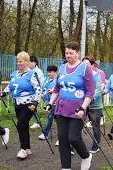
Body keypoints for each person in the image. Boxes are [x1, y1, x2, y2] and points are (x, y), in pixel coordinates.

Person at [44, 42, 95, 170]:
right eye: (66, 53)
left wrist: (83, 107)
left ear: (78, 53)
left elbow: (90, 91)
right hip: (62, 108)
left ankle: (86, 156)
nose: (68, 55)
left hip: (78, 109)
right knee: (62, 138)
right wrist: (50, 103)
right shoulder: (61, 68)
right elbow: (57, 88)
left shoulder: (84, 68)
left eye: (71, 53)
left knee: (73, 138)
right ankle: (65, 167)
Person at [0, 51, 42, 159]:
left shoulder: (32, 74)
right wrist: (4, 93)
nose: (18, 63)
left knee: (21, 125)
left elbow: (38, 89)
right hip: (17, 104)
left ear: (27, 62)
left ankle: (23, 149)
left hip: (28, 105)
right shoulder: (14, 74)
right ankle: (27, 148)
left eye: (21, 61)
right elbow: (10, 86)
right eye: (17, 61)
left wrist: (35, 102)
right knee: (24, 126)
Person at [82, 56, 103, 154]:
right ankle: (74, 147)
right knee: (77, 125)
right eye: (83, 64)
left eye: (87, 64)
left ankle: (96, 145)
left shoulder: (96, 76)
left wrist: (88, 99)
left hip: (95, 105)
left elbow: (98, 90)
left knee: (95, 126)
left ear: (91, 65)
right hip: (81, 105)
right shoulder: (80, 76)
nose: (85, 66)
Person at [38, 65, 58, 140]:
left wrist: (51, 91)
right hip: (48, 102)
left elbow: (57, 89)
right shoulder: (46, 79)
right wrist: (43, 94)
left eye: (51, 72)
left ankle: (46, 133)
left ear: (55, 72)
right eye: (48, 72)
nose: (49, 74)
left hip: (56, 103)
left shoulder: (58, 80)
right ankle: (46, 133)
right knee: (50, 117)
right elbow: (43, 88)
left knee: (53, 118)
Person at [29, 56, 45, 129]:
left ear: (35, 63)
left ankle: (37, 122)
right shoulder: (28, 71)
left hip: (37, 92)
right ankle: (36, 121)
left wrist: (41, 93)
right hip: (29, 93)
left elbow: (42, 83)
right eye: (29, 61)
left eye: (32, 61)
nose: (30, 63)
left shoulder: (39, 72)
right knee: (31, 107)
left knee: (33, 107)